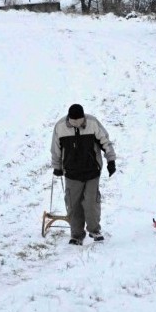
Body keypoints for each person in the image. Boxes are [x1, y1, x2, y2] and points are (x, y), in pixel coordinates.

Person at [51, 103, 117, 246]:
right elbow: (55, 149)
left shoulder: (92, 123)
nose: (77, 124)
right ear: (69, 118)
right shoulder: (60, 126)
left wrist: (111, 160)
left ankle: (94, 230)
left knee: (91, 202)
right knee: (73, 204)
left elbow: (105, 141)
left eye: (80, 121)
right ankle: (76, 234)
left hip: (92, 170)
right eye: (74, 121)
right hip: (71, 172)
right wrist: (57, 167)